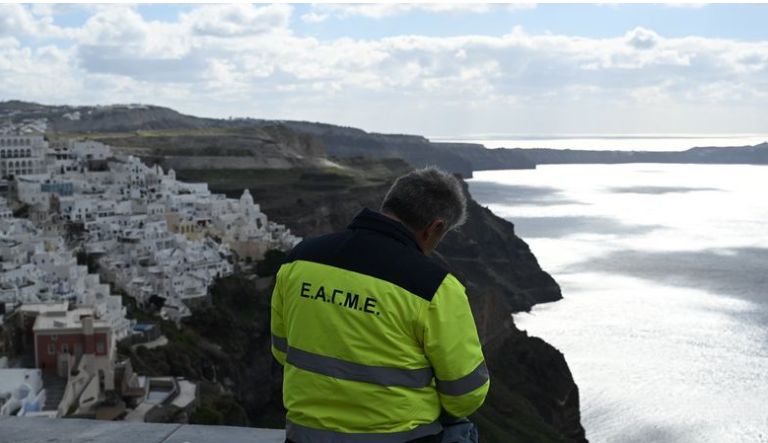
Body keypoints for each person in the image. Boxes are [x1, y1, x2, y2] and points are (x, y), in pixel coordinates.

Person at [271, 167, 490, 443]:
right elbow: (466, 394)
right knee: (462, 429)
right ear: (435, 227)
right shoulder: (435, 288)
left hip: (305, 437)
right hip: (402, 439)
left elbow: (282, 350)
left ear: (389, 205)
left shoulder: (299, 260)